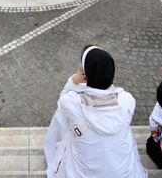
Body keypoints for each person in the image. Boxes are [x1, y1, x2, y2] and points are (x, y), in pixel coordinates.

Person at [43, 46, 147, 178]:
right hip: (124, 172)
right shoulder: (127, 100)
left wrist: (74, 80)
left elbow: (62, 100)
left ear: (85, 74)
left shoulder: (72, 102)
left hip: (83, 172)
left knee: (70, 123)